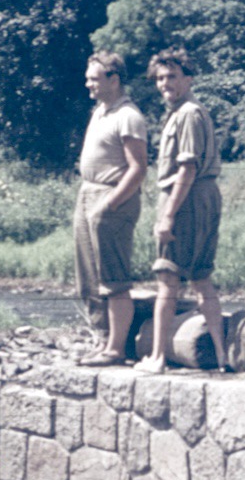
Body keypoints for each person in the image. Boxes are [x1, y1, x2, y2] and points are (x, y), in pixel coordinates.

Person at [135, 49, 227, 373]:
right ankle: (221, 356)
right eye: (160, 78)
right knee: (202, 277)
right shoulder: (188, 111)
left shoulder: (188, 113)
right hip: (205, 195)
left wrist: (168, 215)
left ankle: (157, 358)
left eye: (172, 76)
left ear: (188, 78)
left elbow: (187, 168)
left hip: (186, 196)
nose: (164, 83)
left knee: (167, 276)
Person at [73, 51, 148, 366]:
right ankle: (101, 341)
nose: (88, 84)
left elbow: (138, 168)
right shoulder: (100, 111)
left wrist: (110, 203)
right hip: (88, 193)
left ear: (113, 79)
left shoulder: (128, 115)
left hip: (113, 196)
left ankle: (116, 349)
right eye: (88, 77)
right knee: (88, 277)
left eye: (94, 78)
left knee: (113, 278)